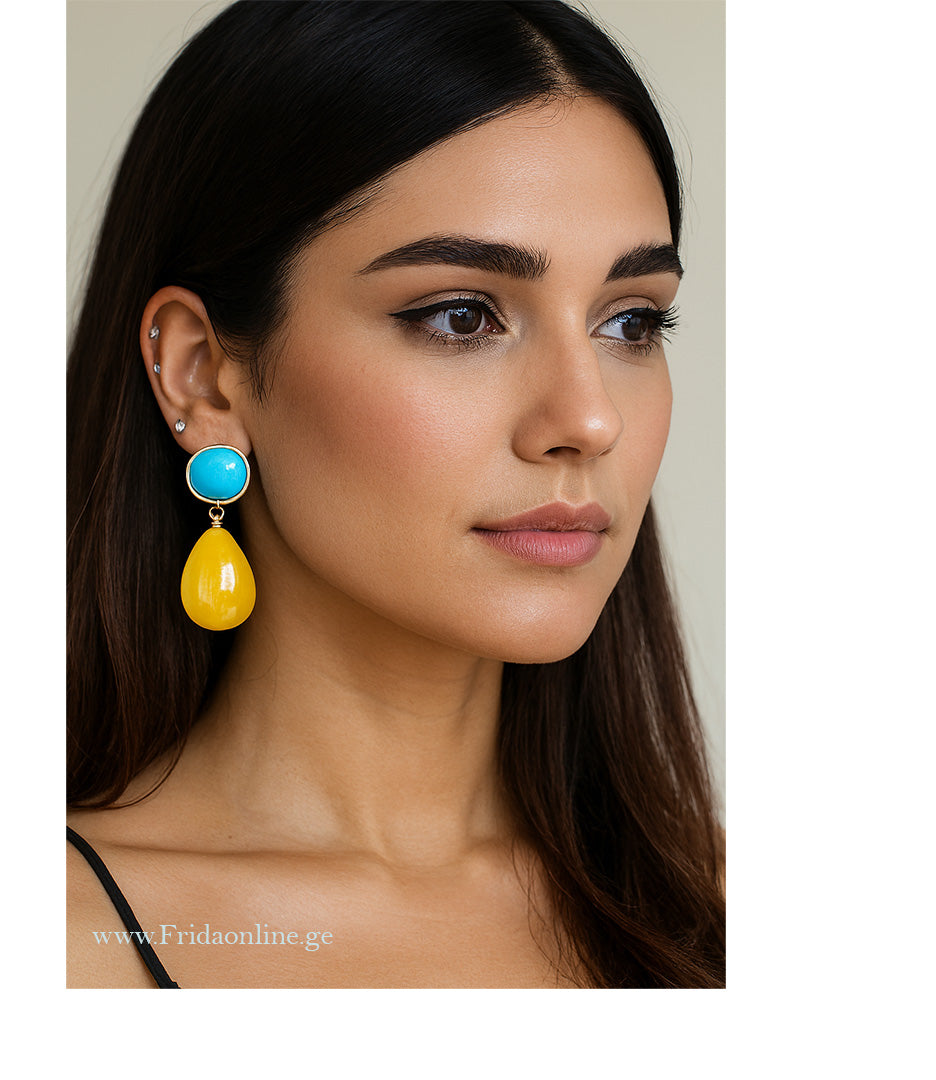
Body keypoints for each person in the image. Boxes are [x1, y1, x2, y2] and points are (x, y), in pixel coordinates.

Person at [67, 0, 725, 989]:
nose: (589, 419)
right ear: (203, 377)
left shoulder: (731, 910)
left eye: (630, 322)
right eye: (461, 316)